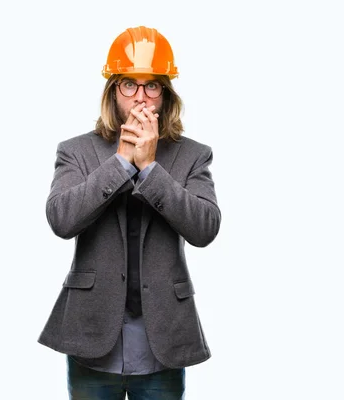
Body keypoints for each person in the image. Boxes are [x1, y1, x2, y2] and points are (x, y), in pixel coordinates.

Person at [38, 26, 221, 400]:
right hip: (93, 340)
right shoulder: (76, 152)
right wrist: (121, 162)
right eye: (129, 85)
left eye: (152, 86)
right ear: (112, 92)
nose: (140, 98)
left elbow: (205, 229)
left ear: (166, 95)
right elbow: (61, 219)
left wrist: (151, 169)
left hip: (162, 343)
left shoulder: (193, 155)